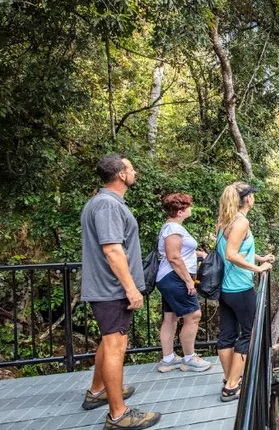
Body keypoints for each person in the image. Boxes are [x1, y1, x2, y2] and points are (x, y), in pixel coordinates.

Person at [80, 154, 161, 429]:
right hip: (112, 289)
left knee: (108, 342)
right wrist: (131, 288)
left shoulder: (104, 202)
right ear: (121, 174)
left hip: (107, 288)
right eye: (131, 168)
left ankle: (98, 391)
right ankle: (118, 415)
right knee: (116, 346)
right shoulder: (106, 205)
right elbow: (112, 249)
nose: (134, 171)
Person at [216, 182, 274, 402]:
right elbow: (231, 254)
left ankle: (229, 378)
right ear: (248, 199)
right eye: (252, 195)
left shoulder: (225, 220)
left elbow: (237, 249)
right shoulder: (241, 222)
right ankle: (232, 386)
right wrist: (258, 269)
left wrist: (259, 257)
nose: (253, 198)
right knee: (249, 334)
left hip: (226, 288)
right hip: (240, 288)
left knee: (227, 334)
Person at [154, 193, 212, 373]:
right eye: (189, 206)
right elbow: (173, 257)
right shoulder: (173, 229)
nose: (191, 209)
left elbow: (179, 252)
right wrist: (189, 281)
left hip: (169, 277)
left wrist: (199, 254)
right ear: (180, 211)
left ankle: (168, 359)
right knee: (194, 316)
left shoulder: (172, 228)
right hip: (175, 277)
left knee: (171, 318)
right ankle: (189, 358)